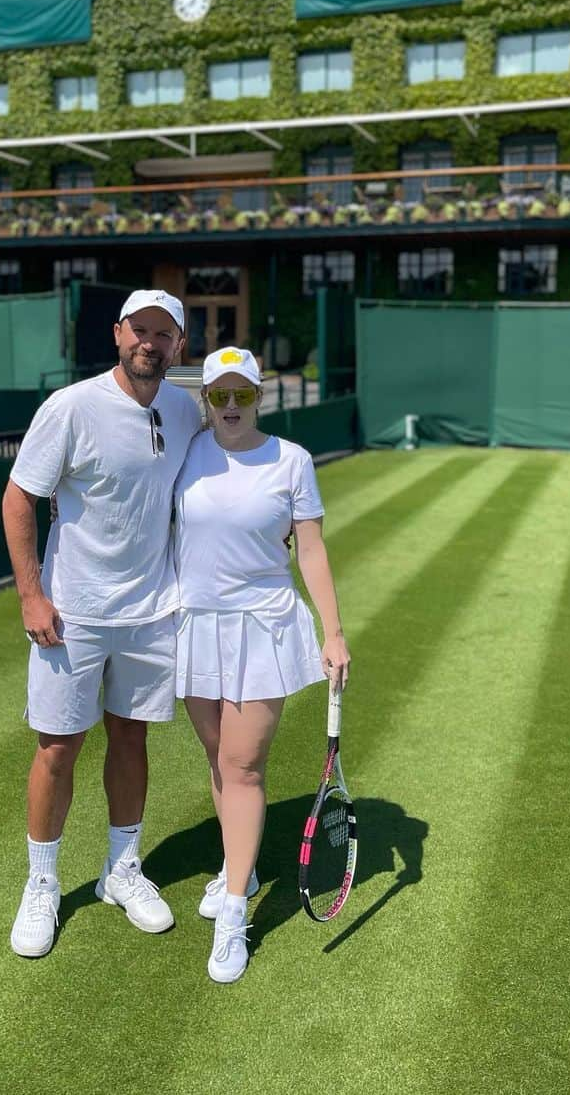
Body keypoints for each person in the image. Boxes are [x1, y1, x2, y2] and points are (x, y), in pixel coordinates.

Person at [2, 289, 201, 958]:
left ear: (179, 344)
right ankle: (42, 883)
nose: (150, 342)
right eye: (139, 329)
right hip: (73, 613)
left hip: (152, 612)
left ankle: (122, 870)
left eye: (163, 333)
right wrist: (32, 595)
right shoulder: (71, 406)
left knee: (131, 739)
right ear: (118, 333)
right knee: (58, 750)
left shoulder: (186, 408)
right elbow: (19, 499)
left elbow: (211, 488)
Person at [173, 346, 351, 983]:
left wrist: (333, 632)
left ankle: (231, 915)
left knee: (242, 765)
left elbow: (312, 553)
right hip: (193, 624)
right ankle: (235, 869)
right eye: (217, 395)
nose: (227, 407)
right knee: (217, 757)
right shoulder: (186, 451)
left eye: (240, 395)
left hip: (262, 628)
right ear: (206, 399)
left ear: (259, 395)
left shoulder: (292, 461)